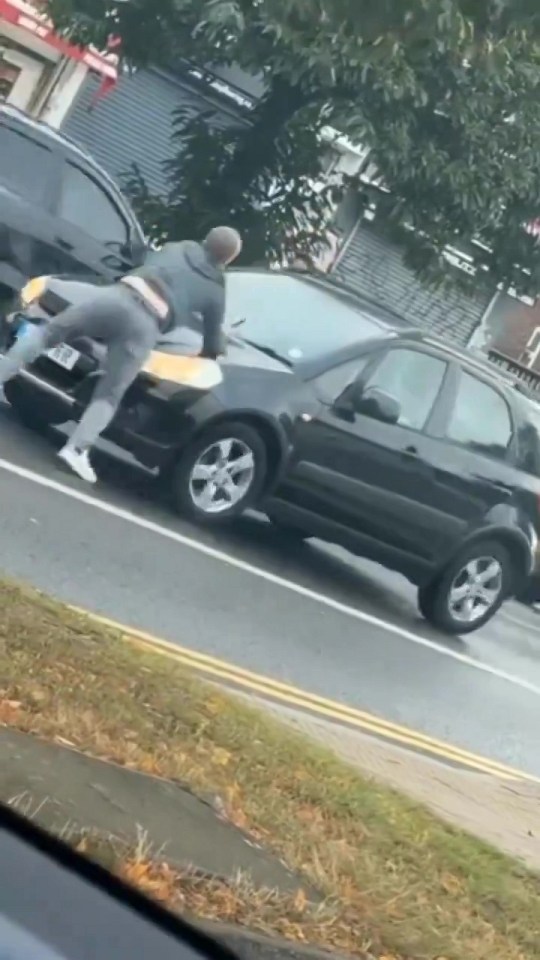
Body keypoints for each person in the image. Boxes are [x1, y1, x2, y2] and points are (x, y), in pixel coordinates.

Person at [0, 226, 242, 484]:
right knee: (110, 392)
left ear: (205, 240)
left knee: (46, 334)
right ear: (227, 260)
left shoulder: (177, 247)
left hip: (116, 295)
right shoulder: (216, 287)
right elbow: (212, 339)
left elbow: (147, 259)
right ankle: (76, 449)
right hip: (146, 324)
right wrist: (212, 351)